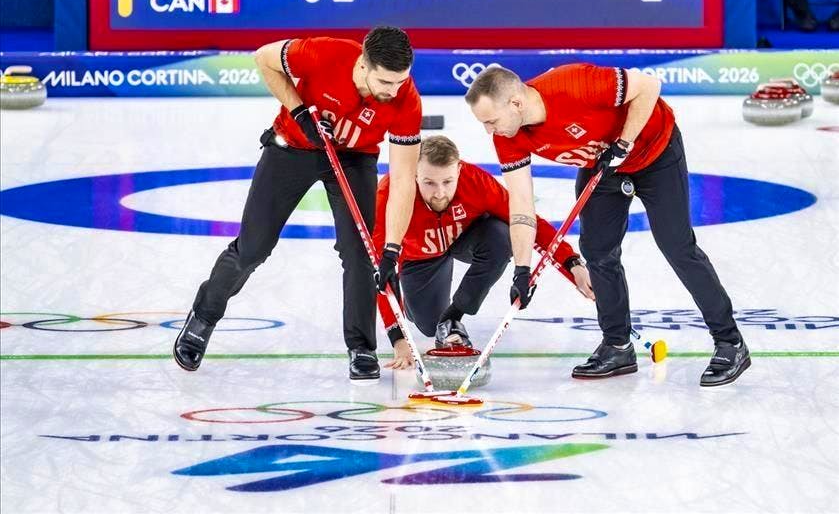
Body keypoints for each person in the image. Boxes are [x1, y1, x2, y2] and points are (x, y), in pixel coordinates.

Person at [465, 64, 750, 387]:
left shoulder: (573, 84)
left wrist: (624, 143)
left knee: (677, 246)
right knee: (597, 251)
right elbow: (521, 205)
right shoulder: (509, 137)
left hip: (654, 153)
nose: (489, 131)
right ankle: (617, 345)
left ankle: (730, 342)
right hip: (601, 168)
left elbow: (649, 86)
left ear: (515, 103)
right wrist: (522, 269)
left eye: (491, 121)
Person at [173, 27, 422, 384]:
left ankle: (362, 346)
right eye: (386, 82)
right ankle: (204, 315)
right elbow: (263, 58)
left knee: (362, 254)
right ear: (364, 65)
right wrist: (300, 111)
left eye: (400, 82)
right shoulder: (324, 54)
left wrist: (393, 247)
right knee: (252, 248)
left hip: (354, 160)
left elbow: (402, 179)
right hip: (292, 147)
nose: (393, 91)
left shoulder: (406, 99)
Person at [372, 135, 594, 370]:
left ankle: (453, 316)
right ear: (414, 173)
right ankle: (427, 311)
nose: (439, 193)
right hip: (420, 256)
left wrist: (572, 264)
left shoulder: (475, 181)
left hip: (468, 238)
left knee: (501, 236)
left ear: (459, 169)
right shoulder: (390, 194)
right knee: (428, 326)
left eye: (448, 181)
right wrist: (398, 338)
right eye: (429, 183)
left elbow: (526, 221)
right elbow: (380, 268)